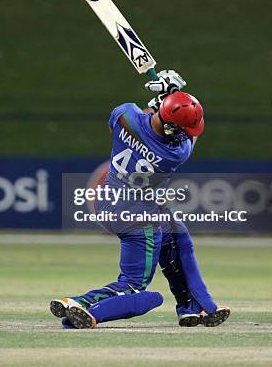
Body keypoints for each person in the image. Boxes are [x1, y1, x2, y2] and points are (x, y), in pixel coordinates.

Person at [50, 70, 231, 329]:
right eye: (180, 129)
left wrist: (163, 100)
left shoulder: (124, 115)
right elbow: (191, 134)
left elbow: (146, 116)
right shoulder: (174, 153)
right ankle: (80, 303)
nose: (184, 134)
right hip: (137, 218)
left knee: (177, 236)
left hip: (108, 203)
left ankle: (191, 306)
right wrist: (169, 94)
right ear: (171, 128)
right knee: (135, 287)